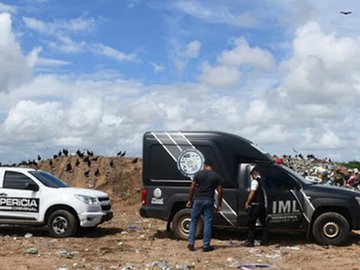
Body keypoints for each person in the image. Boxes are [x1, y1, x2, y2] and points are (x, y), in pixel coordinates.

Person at [186, 159, 223, 252]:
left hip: (198, 200)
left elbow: (192, 187)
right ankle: (206, 245)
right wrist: (219, 204)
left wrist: (190, 200)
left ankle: (191, 243)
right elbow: (220, 191)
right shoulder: (216, 176)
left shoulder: (198, 174)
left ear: (204, 165)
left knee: (194, 221)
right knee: (208, 222)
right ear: (211, 165)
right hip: (209, 200)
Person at [244, 165, 268, 247]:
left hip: (256, 205)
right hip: (262, 205)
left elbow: (252, 193)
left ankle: (250, 241)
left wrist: (247, 202)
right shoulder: (263, 181)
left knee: (251, 222)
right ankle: (264, 240)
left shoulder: (255, 182)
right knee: (264, 223)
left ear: (253, 174)